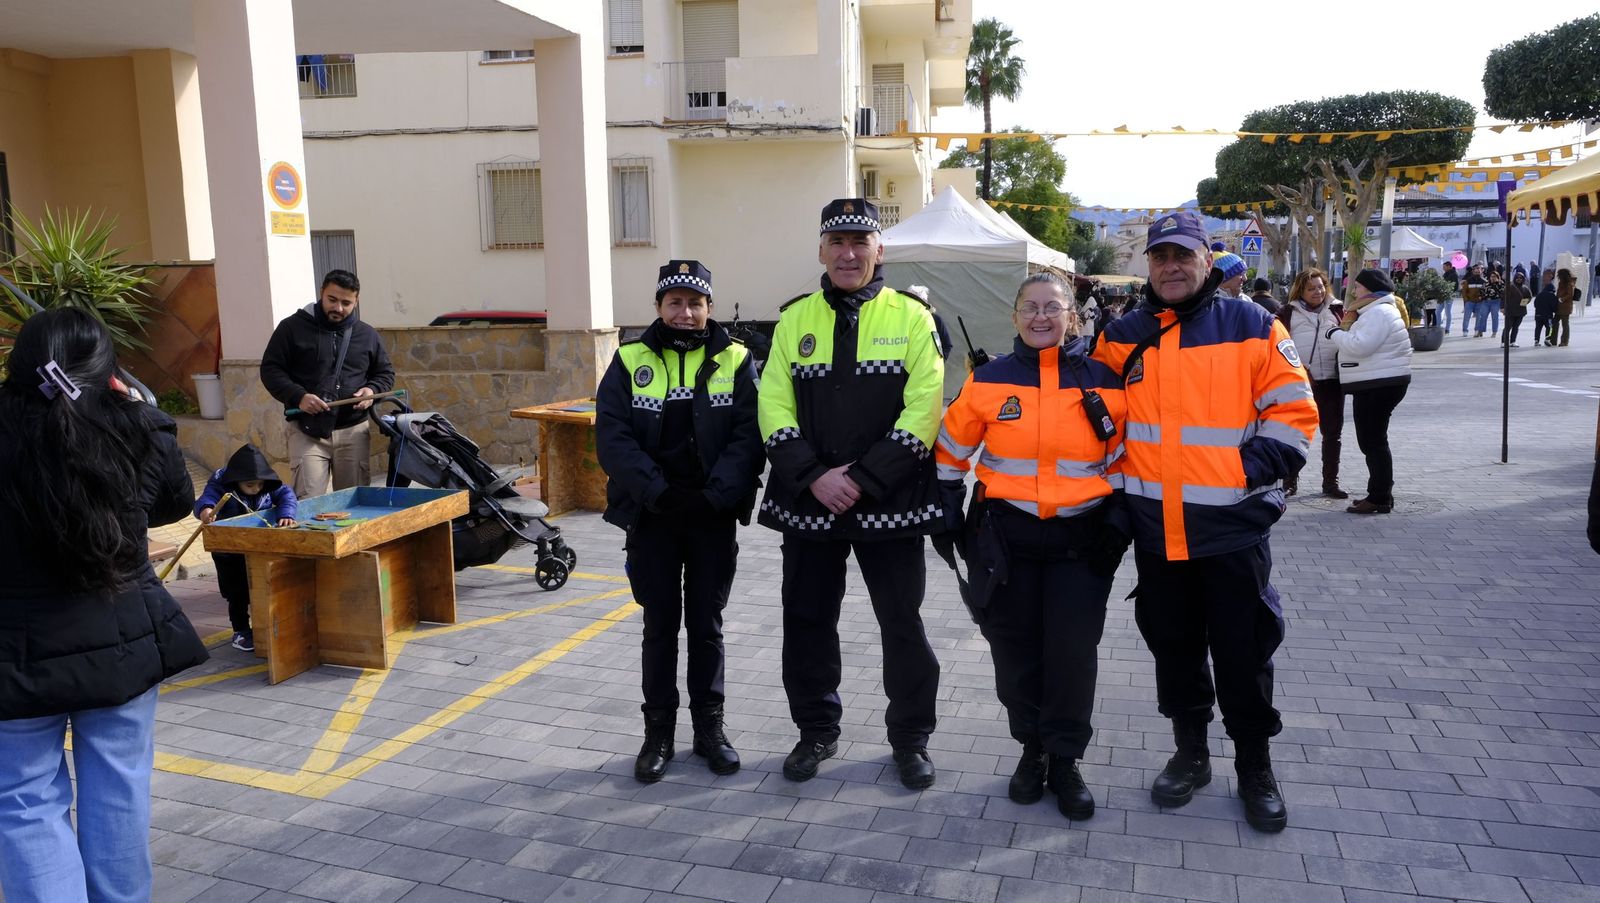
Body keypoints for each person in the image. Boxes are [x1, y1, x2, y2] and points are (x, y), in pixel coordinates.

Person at [1092, 211, 1317, 833]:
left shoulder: (1253, 325)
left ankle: (1255, 765)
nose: (1170, 266)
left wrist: (1244, 473)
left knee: (1244, 654)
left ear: (1206, 261)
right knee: (1175, 649)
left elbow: (1295, 412)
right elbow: (1100, 424)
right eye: (1160, 256)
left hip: (1231, 531)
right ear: (1149, 264)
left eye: (1182, 256)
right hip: (1156, 536)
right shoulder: (1122, 333)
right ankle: (1190, 752)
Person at [0, 308, 209, 902]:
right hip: (120, 644)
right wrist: (134, 407)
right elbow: (173, 503)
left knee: (21, 801)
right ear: (108, 368)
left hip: (12, 656)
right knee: (118, 790)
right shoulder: (139, 426)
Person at [758, 198, 945, 789]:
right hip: (810, 502)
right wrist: (814, 475)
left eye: (860, 241)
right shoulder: (794, 319)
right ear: (821, 249)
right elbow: (772, 403)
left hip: (892, 503)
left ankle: (910, 740)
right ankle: (816, 731)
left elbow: (926, 407)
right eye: (837, 241)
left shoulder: (914, 318)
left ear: (878, 250)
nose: (848, 252)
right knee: (808, 622)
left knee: (902, 624)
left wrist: (863, 479)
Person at [935, 273, 1128, 820]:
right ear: (1015, 316)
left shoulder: (1105, 381)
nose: (1041, 317)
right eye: (1030, 308)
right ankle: (1032, 750)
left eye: (1053, 307)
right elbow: (950, 451)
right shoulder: (989, 380)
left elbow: (1124, 459)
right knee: (1014, 654)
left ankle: (1065, 760)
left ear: (1073, 316)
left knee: (1071, 656)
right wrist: (948, 515)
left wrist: (1117, 518)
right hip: (1005, 541)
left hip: (1081, 542)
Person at [595, 260, 763, 783]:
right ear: (659, 307)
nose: (685, 312)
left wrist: (718, 495)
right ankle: (658, 733)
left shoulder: (736, 359)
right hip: (654, 516)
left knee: (707, 626)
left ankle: (709, 729)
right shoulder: (629, 359)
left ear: (709, 308)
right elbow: (612, 437)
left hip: (711, 516)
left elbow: (749, 433)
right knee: (659, 625)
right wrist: (656, 490)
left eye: (695, 303)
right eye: (675, 302)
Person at [260, 269, 396, 500]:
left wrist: (371, 391)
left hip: (353, 431)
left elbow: (385, 373)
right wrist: (299, 397)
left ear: (356, 301)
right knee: (307, 502)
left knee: (355, 504)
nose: (338, 308)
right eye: (332, 300)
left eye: (346, 303)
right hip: (306, 431)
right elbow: (271, 370)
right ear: (321, 293)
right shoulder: (291, 327)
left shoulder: (367, 334)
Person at [194, 444, 298, 652]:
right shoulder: (221, 483)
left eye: (259, 484)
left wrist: (286, 514)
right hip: (228, 551)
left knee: (263, 586)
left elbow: (287, 495)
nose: (256, 489)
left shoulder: (268, 484)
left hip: (258, 547)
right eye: (250, 485)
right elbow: (206, 499)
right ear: (236, 480)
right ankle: (240, 630)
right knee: (237, 592)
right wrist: (206, 511)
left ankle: (266, 625)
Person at [1325, 270, 1412, 515]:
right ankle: (1380, 493)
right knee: (1374, 441)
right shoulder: (1377, 310)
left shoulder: (1379, 312)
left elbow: (1359, 345)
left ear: (1371, 289)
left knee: (1372, 441)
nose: (1354, 291)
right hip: (1378, 382)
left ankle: (1379, 496)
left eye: (1359, 287)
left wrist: (1335, 333)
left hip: (1379, 384)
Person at [1279, 268, 1345, 498]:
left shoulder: (1338, 310)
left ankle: (1330, 483)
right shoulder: (1288, 313)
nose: (1317, 292)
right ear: (1300, 290)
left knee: (1333, 434)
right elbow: (1279, 345)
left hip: (1332, 381)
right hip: (1301, 382)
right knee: (1296, 433)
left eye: (1320, 287)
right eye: (1311, 288)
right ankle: (1289, 481)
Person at [1503, 270, 1531, 347]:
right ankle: (1503, 341)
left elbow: (1529, 297)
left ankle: (1513, 341)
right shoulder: (1509, 287)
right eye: (1517, 277)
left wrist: (1525, 302)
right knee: (1508, 327)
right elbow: (1503, 297)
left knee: (1516, 327)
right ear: (1515, 278)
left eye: (1521, 278)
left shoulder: (1525, 288)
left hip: (1520, 311)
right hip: (1510, 310)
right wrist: (1502, 307)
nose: (1519, 279)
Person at [1461, 263, 1488, 337]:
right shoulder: (1468, 281)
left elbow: (1486, 292)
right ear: (1473, 272)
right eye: (1475, 272)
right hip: (1470, 301)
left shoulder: (1484, 281)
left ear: (1481, 271)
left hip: (1480, 302)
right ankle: (1465, 330)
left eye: (1478, 271)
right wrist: (1466, 300)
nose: (1477, 273)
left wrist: (1482, 299)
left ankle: (1477, 330)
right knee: (1467, 316)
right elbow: (1464, 291)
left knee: (1479, 317)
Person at [1554, 268, 1579, 347]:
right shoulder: (1561, 282)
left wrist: (1562, 299)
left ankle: (1564, 341)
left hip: (1565, 306)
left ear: (1563, 276)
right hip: (1558, 306)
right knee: (1554, 323)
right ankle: (1553, 340)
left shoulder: (1569, 283)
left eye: (1559, 275)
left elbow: (1570, 294)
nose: (1558, 277)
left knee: (1565, 324)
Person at [1533, 273, 1559, 347]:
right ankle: (1547, 339)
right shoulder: (1552, 296)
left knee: (1538, 328)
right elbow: (1554, 307)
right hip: (1548, 316)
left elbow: (1535, 304)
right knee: (1550, 327)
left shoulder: (1540, 294)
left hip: (1538, 315)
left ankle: (1536, 340)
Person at [1484, 269, 1504, 338]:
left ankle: (1494, 332)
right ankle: (1481, 331)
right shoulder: (1487, 284)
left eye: (1494, 276)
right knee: (1483, 316)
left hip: (1496, 301)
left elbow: (1503, 294)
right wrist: (1482, 297)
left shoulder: (1501, 284)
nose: (1492, 278)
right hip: (1486, 301)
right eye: (1491, 276)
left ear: (1497, 277)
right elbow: (1482, 291)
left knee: (1495, 317)